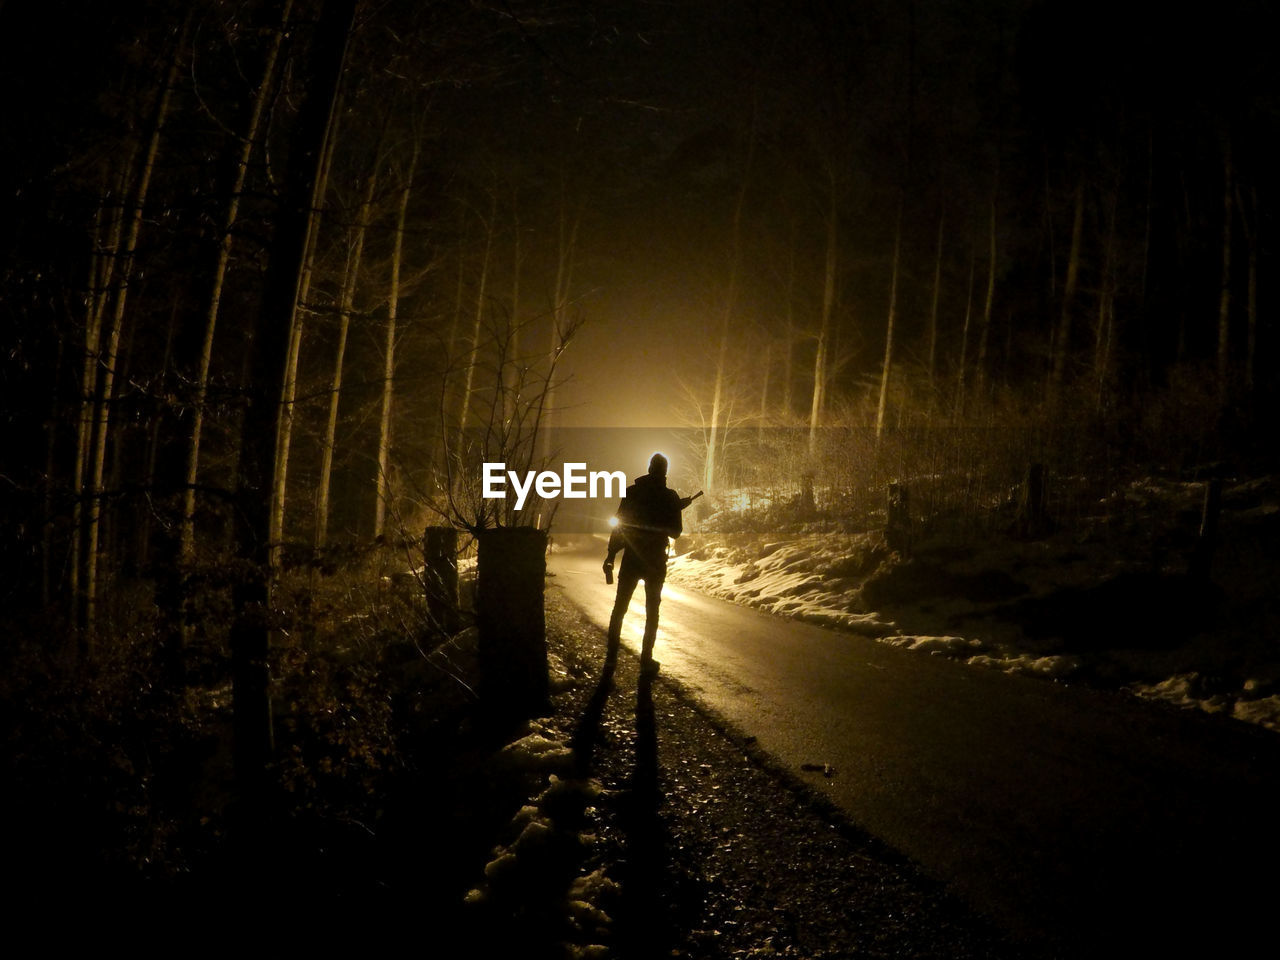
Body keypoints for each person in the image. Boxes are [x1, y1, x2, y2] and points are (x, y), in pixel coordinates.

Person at [602, 452, 686, 677]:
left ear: (649, 468)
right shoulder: (670, 497)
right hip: (656, 561)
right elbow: (676, 532)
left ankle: (610, 660)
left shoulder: (631, 492)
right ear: (665, 471)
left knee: (619, 609)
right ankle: (646, 660)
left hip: (632, 558)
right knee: (652, 612)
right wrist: (673, 510)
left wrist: (611, 555)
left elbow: (619, 526)